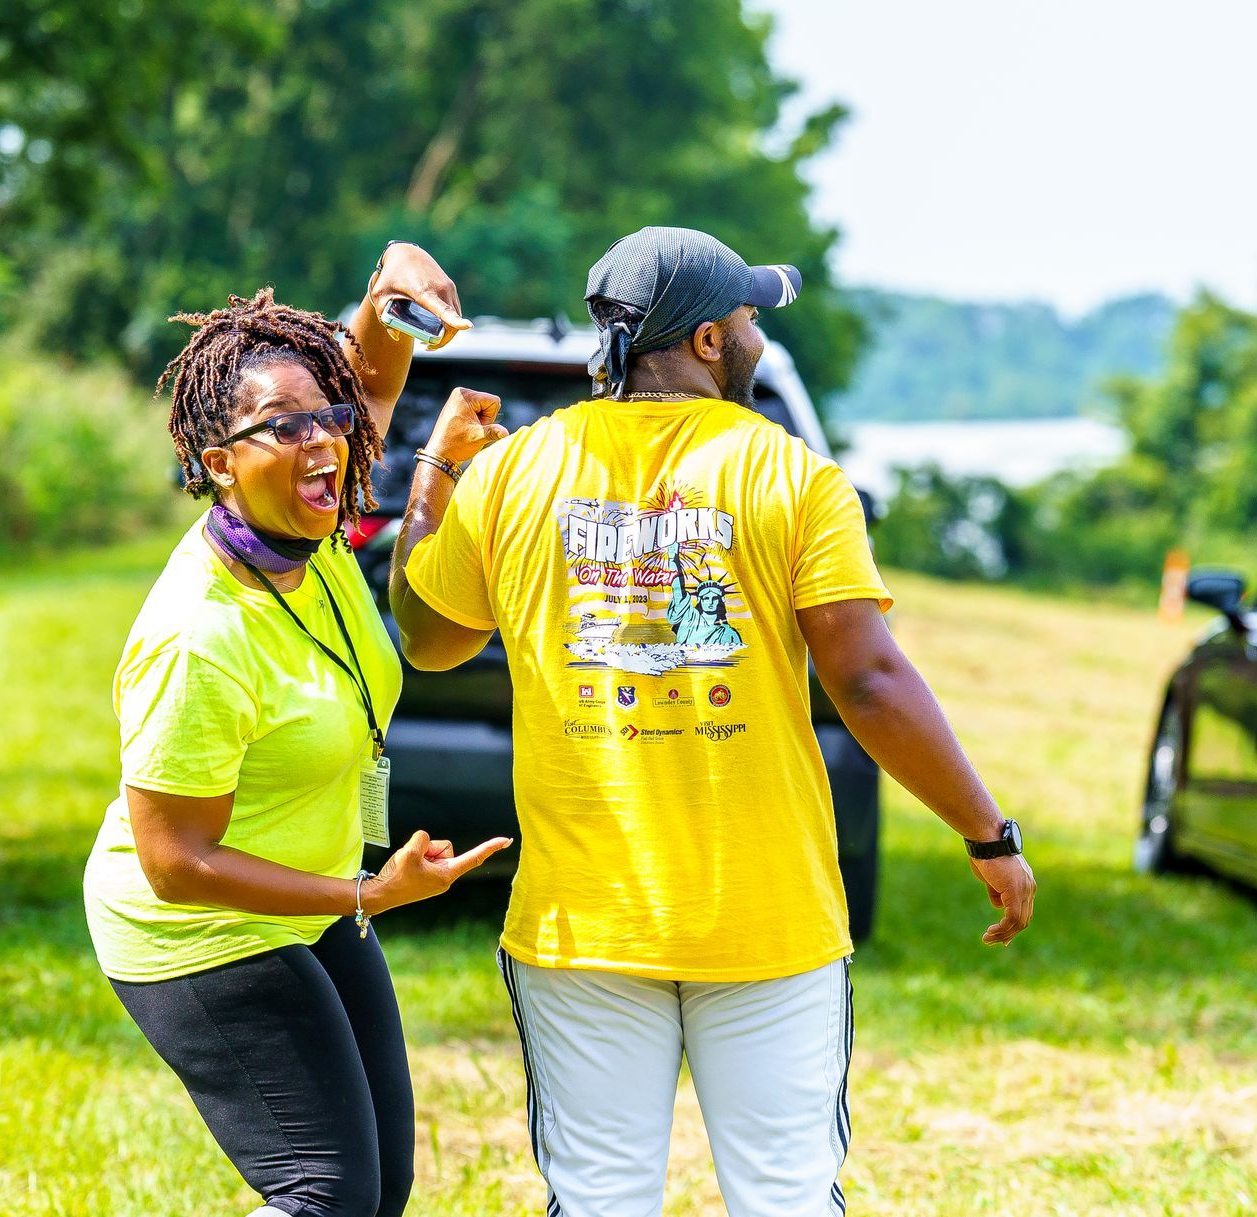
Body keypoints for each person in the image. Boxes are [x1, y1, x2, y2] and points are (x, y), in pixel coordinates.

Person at [387, 226, 1037, 1216]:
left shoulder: (517, 471)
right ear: (703, 340)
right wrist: (987, 830)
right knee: (785, 1194)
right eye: (748, 315)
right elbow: (867, 682)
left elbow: (428, 639)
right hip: (767, 916)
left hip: (583, 923)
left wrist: (438, 470)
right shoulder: (793, 476)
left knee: (600, 1198)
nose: (757, 334)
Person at [81, 242, 514, 1217]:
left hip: (305, 906)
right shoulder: (200, 638)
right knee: (323, 1192)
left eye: (327, 420)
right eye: (282, 428)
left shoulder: (300, 520)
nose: (323, 442)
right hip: (192, 931)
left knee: (376, 1188)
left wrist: (384, 291)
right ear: (216, 462)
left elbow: (360, 379)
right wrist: (365, 887)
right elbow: (175, 860)